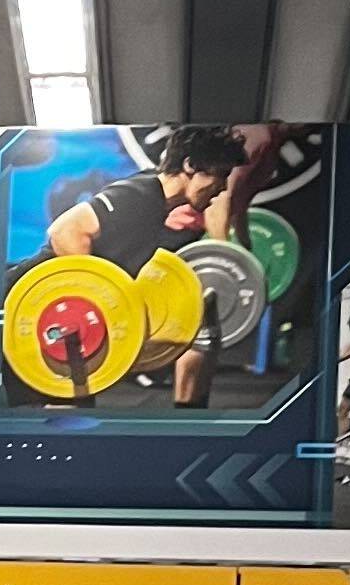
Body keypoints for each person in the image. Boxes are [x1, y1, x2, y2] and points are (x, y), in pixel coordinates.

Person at [43, 126, 257, 408]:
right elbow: (64, 231)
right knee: (63, 411)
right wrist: (95, 297)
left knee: (73, 412)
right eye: (220, 175)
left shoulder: (157, 204)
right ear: (190, 166)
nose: (223, 188)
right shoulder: (141, 195)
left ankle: (189, 416)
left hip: (66, 321)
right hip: (43, 302)